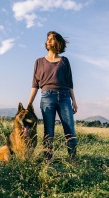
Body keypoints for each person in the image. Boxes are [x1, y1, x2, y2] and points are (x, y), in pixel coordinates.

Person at [27, 31, 78, 162]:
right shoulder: (39, 62)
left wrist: (74, 101)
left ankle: (73, 161)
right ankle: (47, 161)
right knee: (48, 132)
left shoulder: (65, 61)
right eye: (47, 39)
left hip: (65, 97)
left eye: (51, 39)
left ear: (58, 43)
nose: (48, 41)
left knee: (70, 131)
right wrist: (29, 103)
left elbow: (70, 82)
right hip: (47, 97)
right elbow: (35, 84)